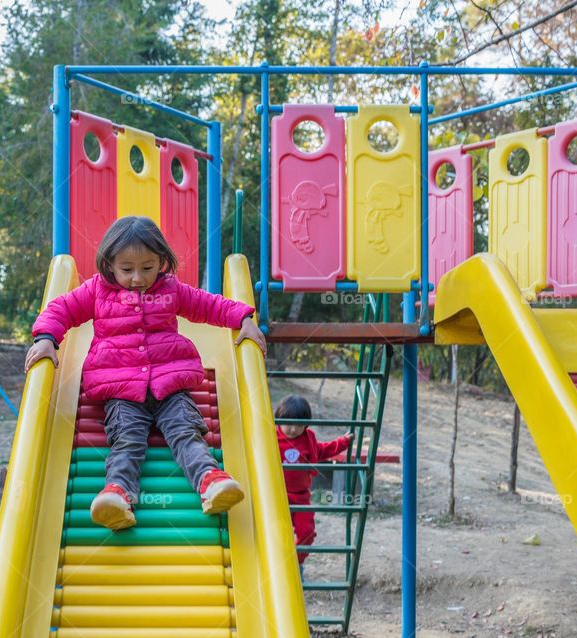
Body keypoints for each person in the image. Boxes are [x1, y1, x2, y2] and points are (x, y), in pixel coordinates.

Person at [25, 216, 266, 530]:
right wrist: (46, 339)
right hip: (121, 389)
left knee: (185, 431)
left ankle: (210, 480)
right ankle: (118, 495)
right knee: (126, 440)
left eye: (148, 268)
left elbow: (209, 305)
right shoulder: (96, 291)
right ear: (109, 264)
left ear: (162, 262)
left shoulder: (170, 290)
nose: (137, 278)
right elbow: (61, 310)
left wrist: (244, 319)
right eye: (127, 270)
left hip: (170, 385)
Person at [275, 395, 354, 565]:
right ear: (278, 420)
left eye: (299, 425)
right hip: (276, 495)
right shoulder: (271, 439)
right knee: (277, 533)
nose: (293, 429)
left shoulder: (307, 439)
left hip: (301, 496)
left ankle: (295, 562)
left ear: (306, 425)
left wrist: (342, 443)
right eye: (288, 424)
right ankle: (277, 562)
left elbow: (322, 450)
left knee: (307, 532)